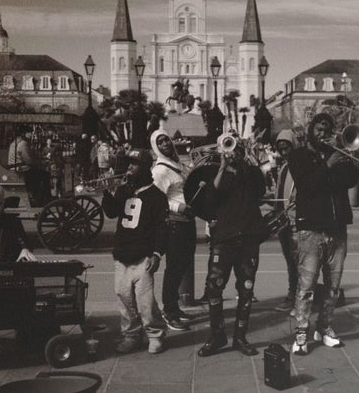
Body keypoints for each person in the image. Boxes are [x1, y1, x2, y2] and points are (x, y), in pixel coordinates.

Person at [285, 113, 357, 355]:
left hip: (337, 229)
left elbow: (351, 179)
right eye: (319, 128)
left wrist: (344, 157)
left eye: (327, 128)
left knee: (333, 286)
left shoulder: (338, 157)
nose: (323, 132)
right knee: (306, 287)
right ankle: (301, 334)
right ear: (310, 130)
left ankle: (324, 327)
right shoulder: (299, 156)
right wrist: (328, 165)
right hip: (311, 230)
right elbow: (307, 186)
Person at [186, 140, 266, 357]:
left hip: (248, 236)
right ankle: (217, 335)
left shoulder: (250, 172)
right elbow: (211, 199)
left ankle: (240, 336)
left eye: (238, 150)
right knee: (214, 286)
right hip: (224, 237)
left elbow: (260, 189)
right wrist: (222, 167)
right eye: (231, 149)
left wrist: (249, 160)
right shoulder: (216, 172)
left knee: (246, 288)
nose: (234, 153)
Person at [101, 153, 167, 355]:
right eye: (129, 164)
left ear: (146, 169)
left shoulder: (156, 196)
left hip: (143, 256)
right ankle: (131, 335)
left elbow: (161, 228)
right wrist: (108, 192)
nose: (129, 168)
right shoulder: (124, 191)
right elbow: (112, 212)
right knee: (124, 298)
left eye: (135, 165)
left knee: (145, 301)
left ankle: (154, 334)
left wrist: (156, 254)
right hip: (122, 255)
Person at [150, 128, 195, 330]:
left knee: (182, 266)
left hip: (186, 221)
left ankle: (174, 307)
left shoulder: (176, 164)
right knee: (175, 268)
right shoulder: (160, 170)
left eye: (166, 140)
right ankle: (169, 311)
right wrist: (179, 206)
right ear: (155, 147)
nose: (165, 144)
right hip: (175, 222)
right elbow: (157, 200)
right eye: (160, 142)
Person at [268, 128, 301, 313]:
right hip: (284, 223)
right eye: (280, 148)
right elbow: (280, 192)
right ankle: (292, 296)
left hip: (296, 222)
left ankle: (297, 299)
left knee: (298, 263)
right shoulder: (284, 168)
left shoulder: (299, 165)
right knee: (290, 262)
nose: (283, 150)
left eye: (286, 146)